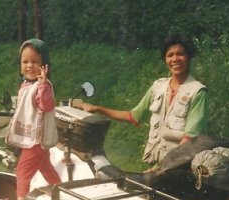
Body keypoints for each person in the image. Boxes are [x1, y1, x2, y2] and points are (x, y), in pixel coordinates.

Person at [82, 34, 208, 167]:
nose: (175, 59)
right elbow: (132, 116)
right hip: (156, 167)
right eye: (170, 55)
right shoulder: (158, 87)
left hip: (180, 167)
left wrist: (163, 167)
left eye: (180, 54)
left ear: (189, 57)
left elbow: (190, 138)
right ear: (165, 59)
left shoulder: (198, 92)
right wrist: (97, 109)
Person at [0, 38, 61, 200]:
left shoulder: (44, 86)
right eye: (25, 61)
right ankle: (61, 192)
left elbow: (46, 106)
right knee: (45, 167)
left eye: (35, 62)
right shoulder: (26, 85)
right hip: (37, 139)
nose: (29, 66)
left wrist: (42, 84)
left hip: (35, 139)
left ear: (45, 66)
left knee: (22, 170)